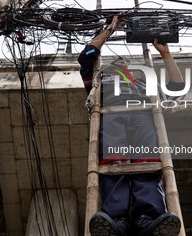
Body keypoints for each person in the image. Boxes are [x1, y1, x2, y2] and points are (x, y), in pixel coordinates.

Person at [77, 14, 185, 236]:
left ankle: (148, 217)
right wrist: (112, 27)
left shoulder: (143, 83)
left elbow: (176, 87)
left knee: (149, 162)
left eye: (127, 64)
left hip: (143, 113)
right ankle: (117, 219)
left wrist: (165, 53)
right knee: (113, 161)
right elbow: (87, 55)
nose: (122, 64)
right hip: (110, 113)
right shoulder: (100, 80)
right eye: (117, 64)